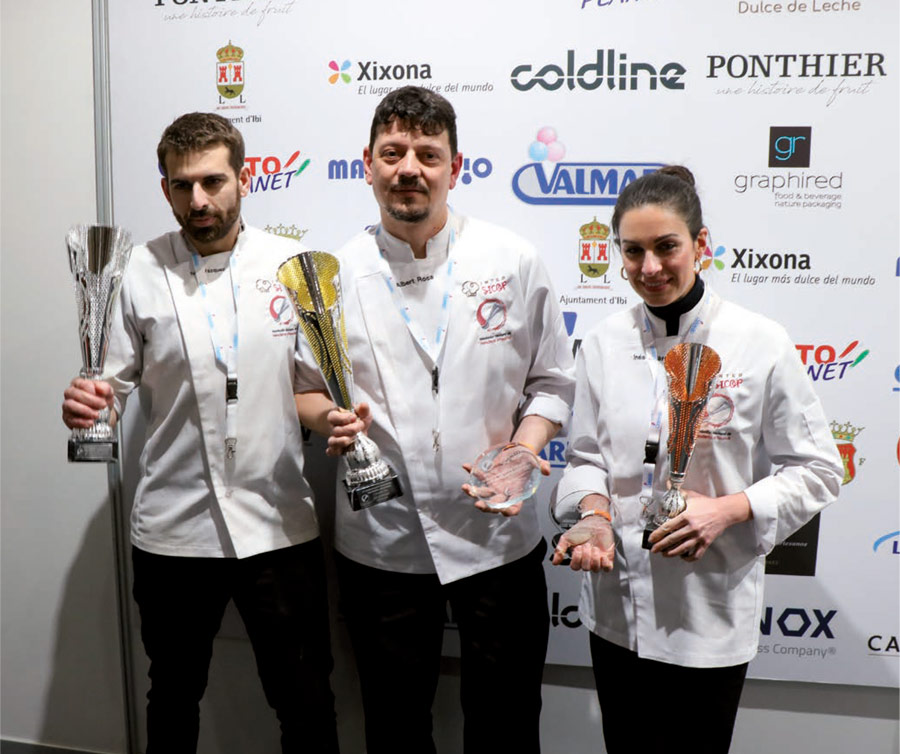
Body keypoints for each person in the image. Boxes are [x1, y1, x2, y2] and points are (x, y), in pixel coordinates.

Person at [61, 112, 340, 753]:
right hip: (174, 531)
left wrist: (336, 418)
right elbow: (109, 390)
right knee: (173, 696)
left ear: (244, 179)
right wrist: (86, 405)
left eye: (213, 181)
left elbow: (307, 393)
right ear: (165, 190)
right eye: (182, 185)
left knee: (306, 701)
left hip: (277, 524)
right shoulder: (134, 271)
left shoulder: (292, 267)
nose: (200, 200)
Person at [551, 165, 842, 754]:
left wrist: (729, 509)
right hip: (617, 611)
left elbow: (819, 470)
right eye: (632, 251)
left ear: (700, 245)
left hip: (707, 609)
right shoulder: (605, 341)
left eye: (666, 247)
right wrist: (593, 513)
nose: (650, 268)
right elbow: (584, 456)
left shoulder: (759, 341)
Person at [321, 86, 575, 754]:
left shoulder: (511, 261)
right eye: (393, 152)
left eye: (428, 154)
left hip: (497, 535)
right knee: (395, 723)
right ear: (367, 165)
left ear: (455, 168)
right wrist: (328, 420)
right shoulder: (334, 275)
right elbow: (302, 390)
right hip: (382, 540)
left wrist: (524, 448)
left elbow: (553, 381)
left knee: (507, 719)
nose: (410, 168)